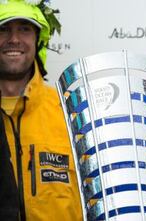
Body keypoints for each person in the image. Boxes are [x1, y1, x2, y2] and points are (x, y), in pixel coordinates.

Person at [0, 0, 82, 220]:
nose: (14, 39)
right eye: (4, 29)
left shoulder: (69, 111)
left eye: (24, 29)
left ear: (38, 40)